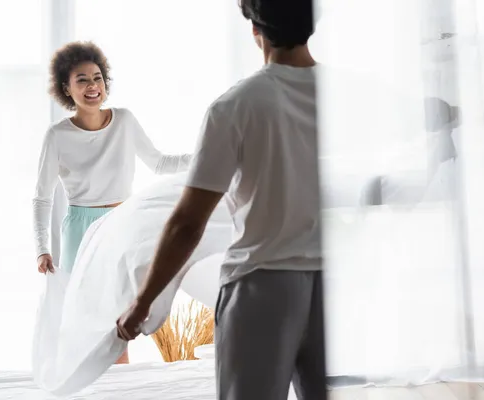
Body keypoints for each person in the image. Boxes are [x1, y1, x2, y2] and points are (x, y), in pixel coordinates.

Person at [117, 0, 326, 398]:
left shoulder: (235, 106)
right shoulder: (350, 96)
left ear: (255, 31)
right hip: (336, 285)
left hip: (262, 285)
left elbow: (187, 224)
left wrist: (142, 303)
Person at [33, 41, 192, 364]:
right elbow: (42, 196)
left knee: (122, 320)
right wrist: (42, 247)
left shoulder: (124, 121)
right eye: (82, 79)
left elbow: (160, 164)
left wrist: (206, 157)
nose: (92, 86)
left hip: (123, 224)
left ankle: (119, 388)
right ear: (67, 87)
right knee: (89, 322)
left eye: (97, 78)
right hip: (81, 230)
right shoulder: (57, 136)